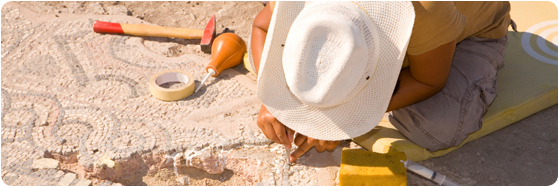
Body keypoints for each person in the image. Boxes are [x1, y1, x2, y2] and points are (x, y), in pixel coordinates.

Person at [249, 1, 511, 163]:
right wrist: (273, 96)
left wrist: (339, 121)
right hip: (411, 38)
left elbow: (429, 81)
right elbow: (261, 27)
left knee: (436, 125)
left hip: (468, 36)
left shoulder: (425, 8)